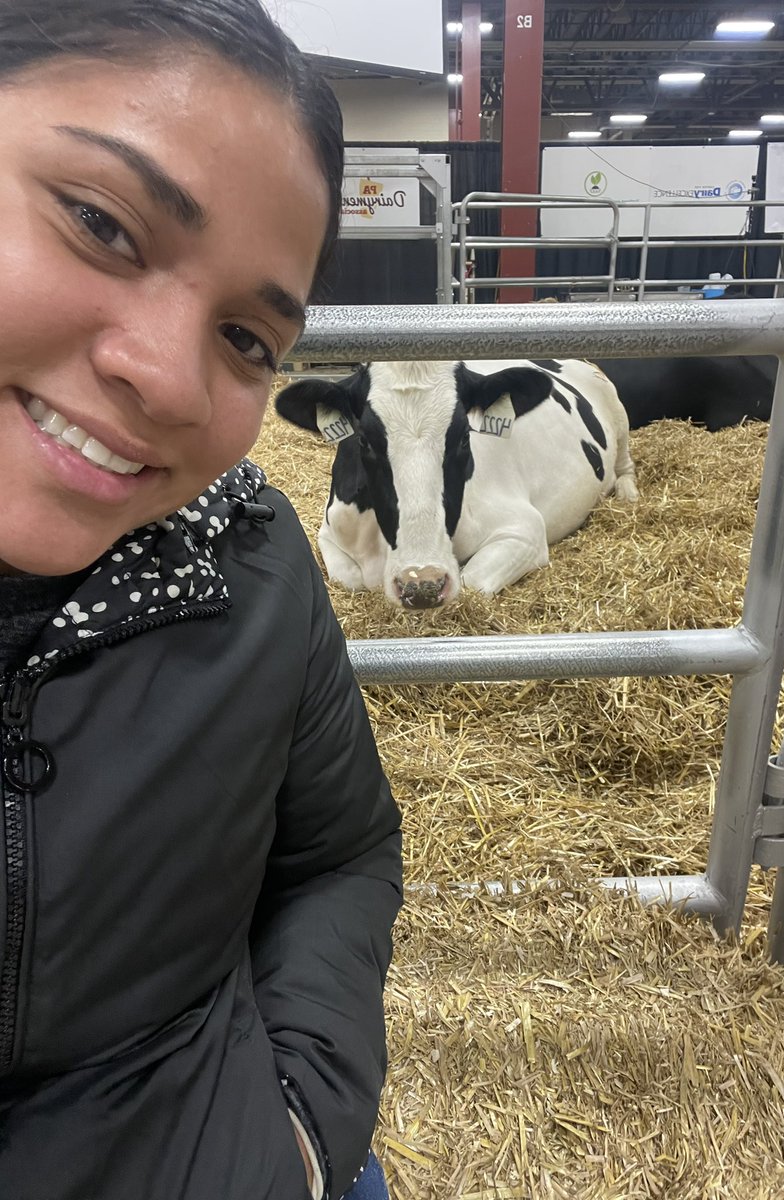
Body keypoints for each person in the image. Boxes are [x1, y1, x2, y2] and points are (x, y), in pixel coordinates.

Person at [0, 3, 402, 1199]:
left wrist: (300, 1136)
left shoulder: (256, 563)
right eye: (100, 222)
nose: (169, 381)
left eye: (246, 336)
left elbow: (343, 850)